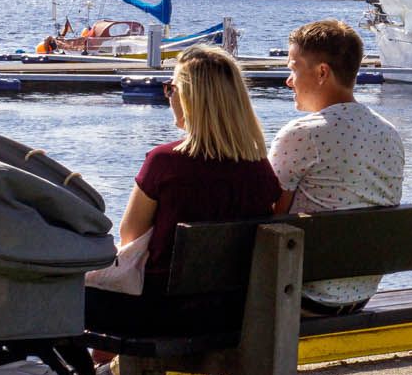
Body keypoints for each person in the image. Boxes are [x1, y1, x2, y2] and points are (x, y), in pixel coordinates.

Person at [84, 45, 284, 339]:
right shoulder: (260, 170)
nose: (169, 96)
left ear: (191, 98)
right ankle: (108, 373)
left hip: (161, 312)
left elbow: (130, 236)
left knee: (58, 294)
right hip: (232, 313)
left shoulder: (165, 162)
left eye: (172, 88)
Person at [270, 18, 406, 314]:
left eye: (293, 68)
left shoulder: (302, 134)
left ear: (322, 72)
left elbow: (270, 215)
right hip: (360, 293)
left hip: (306, 294)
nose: (288, 81)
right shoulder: (388, 133)